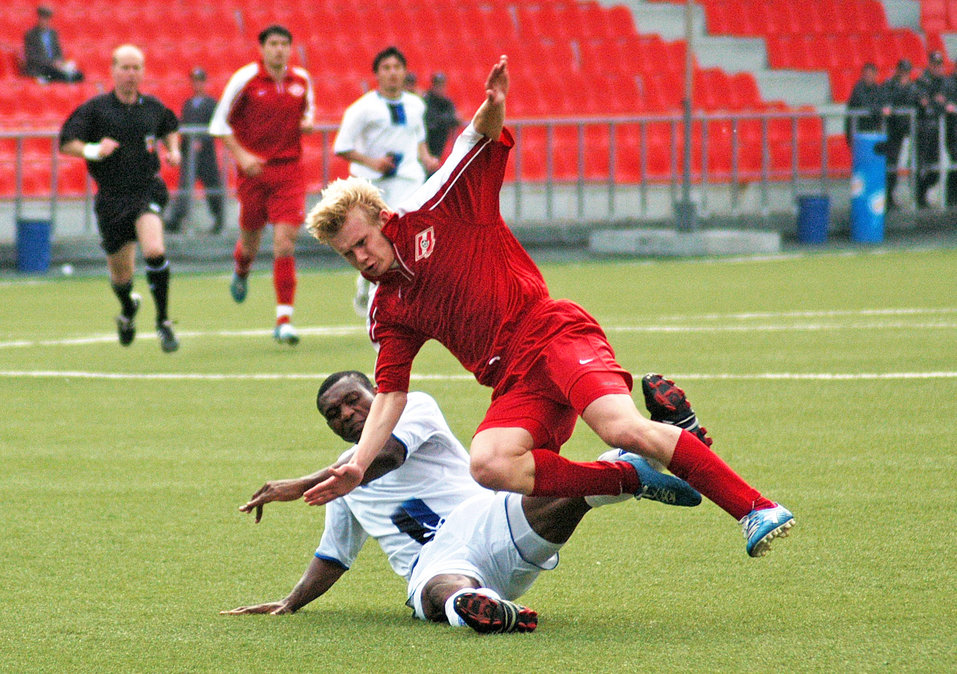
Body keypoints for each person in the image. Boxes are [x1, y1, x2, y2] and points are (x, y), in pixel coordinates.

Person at [304, 56, 794, 559]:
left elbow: (474, 141)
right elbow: (390, 393)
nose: (361, 258)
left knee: (622, 427)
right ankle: (629, 475)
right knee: (490, 464)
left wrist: (494, 104)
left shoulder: (436, 209)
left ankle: (757, 508)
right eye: (348, 254)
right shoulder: (388, 307)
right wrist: (357, 466)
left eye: (363, 242)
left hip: (553, 333)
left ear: (382, 218)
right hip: (513, 379)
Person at [221, 371, 701, 633]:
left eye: (353, 400)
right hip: (435, 561)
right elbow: (333, 557)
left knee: (566, 492)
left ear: (376, 392)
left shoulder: (413, 408)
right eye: (334, 414)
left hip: (485, 516)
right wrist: (290, 602)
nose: (347, 414)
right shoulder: (341, 486)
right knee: (439, 590)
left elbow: (386, 455)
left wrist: (300, 483)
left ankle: (653, 449)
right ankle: (482, 607)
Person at [59, 44, 180, 353]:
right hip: (112, 198)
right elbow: (66, 142)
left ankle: (163, 322)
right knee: (121, 276)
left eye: (136, 68)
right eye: (125, 67)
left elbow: (169, 126)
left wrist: (174, 150)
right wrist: (93, 149)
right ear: (112, 71)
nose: (130, 73)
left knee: (154, 250)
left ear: (143, 72)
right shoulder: (96, 109)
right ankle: (128, 309)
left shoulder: (152, 107)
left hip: (146, 189)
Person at [209, 25, 315, 345]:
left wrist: (307, 122)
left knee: (284, 243)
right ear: (262, 48)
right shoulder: (245, 79)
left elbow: (308, 112)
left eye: (284, 44)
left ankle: (284, 320)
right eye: (273, 44)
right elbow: (219, 124)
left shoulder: (301, 80)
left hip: (289, 171)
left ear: (290, 48)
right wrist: (243, 157)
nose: (279, 49)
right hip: (254, 174)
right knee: (250, 243)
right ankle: (241, 269)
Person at [333, 46, 441, 317]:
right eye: (386, 68)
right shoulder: (362, 108)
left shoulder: (416, 104)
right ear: (377, 74)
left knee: (407, 236)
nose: (392, 73)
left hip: (408, 180)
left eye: (397, 67)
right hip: (372, 186)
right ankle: (366, 285)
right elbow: (341, 146)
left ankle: (412, 297)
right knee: (377, 240)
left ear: (404, 72)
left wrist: (427, 158)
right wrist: (373, 163)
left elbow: (418, 137)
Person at [165, 67, 224, 234]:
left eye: (199, 81)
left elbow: (215, 125)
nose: (197, 85)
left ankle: (219, 218)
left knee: (212, 185)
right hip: (189, 153)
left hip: (206, 154)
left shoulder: (211, 103)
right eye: (194, 81)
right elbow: (184, 124)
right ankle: (177, 219)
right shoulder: (189, 104)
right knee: (185, 185)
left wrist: (202, 140)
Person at [913, 51, 957, 208]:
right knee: (923, 166)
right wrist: (939, 103)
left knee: (936, 169)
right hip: (924, 130)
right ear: (929, 65)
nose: (937, 68)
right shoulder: (922, 80)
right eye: (934, 65)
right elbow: (925, 102)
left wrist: (940, 103)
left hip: (939, 131)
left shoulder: (944, 82)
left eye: (940, 65)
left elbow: (946, 100)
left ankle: (930, 196)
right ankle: (919, 198)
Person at [880, 59, 917, 210]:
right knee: (891, 163)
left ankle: (893, 196)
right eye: (903, 71)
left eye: (907, 71)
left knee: (900, 163)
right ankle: (887, 197)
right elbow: (888, 101)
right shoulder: (889, 84)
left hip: (906, 129)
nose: (905, 74)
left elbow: (915, 102)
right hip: (892, 129)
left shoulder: (913, 86)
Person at [23, 5, 83, 83]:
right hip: (40, 68)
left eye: (47, 19)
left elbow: (59, 52)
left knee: (79, 75)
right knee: (57, 74)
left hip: (55, 67)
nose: (45, 21)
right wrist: (51, 63)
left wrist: (59, 61)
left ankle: (67, 77)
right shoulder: (31, 34)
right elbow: (32, 57)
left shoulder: (53, 33)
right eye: (43, 18)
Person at [423, 72, 461, 160]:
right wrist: (449, 118)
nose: (440, 88)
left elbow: (454, 118)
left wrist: (452, 118)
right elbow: (431, 121)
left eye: (442, 85)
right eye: (437, 85)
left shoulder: (447, 102)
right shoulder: (426, 100)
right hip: (428, 140)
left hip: (440, 141)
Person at [845, 63, 884, 146]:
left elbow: (882, 102)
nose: (868, 77)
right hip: (858, 132)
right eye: (866, 75)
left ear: (875, 75)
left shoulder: (878, 88)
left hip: (873, 132)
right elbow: (865, 105)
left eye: (871, 75)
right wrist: (879, 110)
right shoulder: (858, 88)